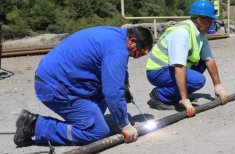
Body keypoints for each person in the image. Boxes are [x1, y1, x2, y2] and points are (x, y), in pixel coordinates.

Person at [13, 26, 153, 147]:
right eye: (140, 51)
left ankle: (85, 119)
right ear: (132, 41)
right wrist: (124, 124)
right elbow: (112, 92)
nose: (139, 55)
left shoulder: (116, 36)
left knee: (107, 95)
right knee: (97, 131)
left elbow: (118, 69)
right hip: (53, 87)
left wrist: (125, 84)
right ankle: (34, 125)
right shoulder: (117, 48)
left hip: (61, 79)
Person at [146, 0, 227, 117]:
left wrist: (218, 86)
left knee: (202, 63)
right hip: (157, 70)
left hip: (170, 68)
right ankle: (160, 95)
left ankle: (178, 91)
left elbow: (209, 59)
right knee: (198, 80)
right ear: (199, 19)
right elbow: (179, 66)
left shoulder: (200, 33)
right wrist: (185, 100)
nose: (211, 23)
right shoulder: (182, 33)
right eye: (210, 19)